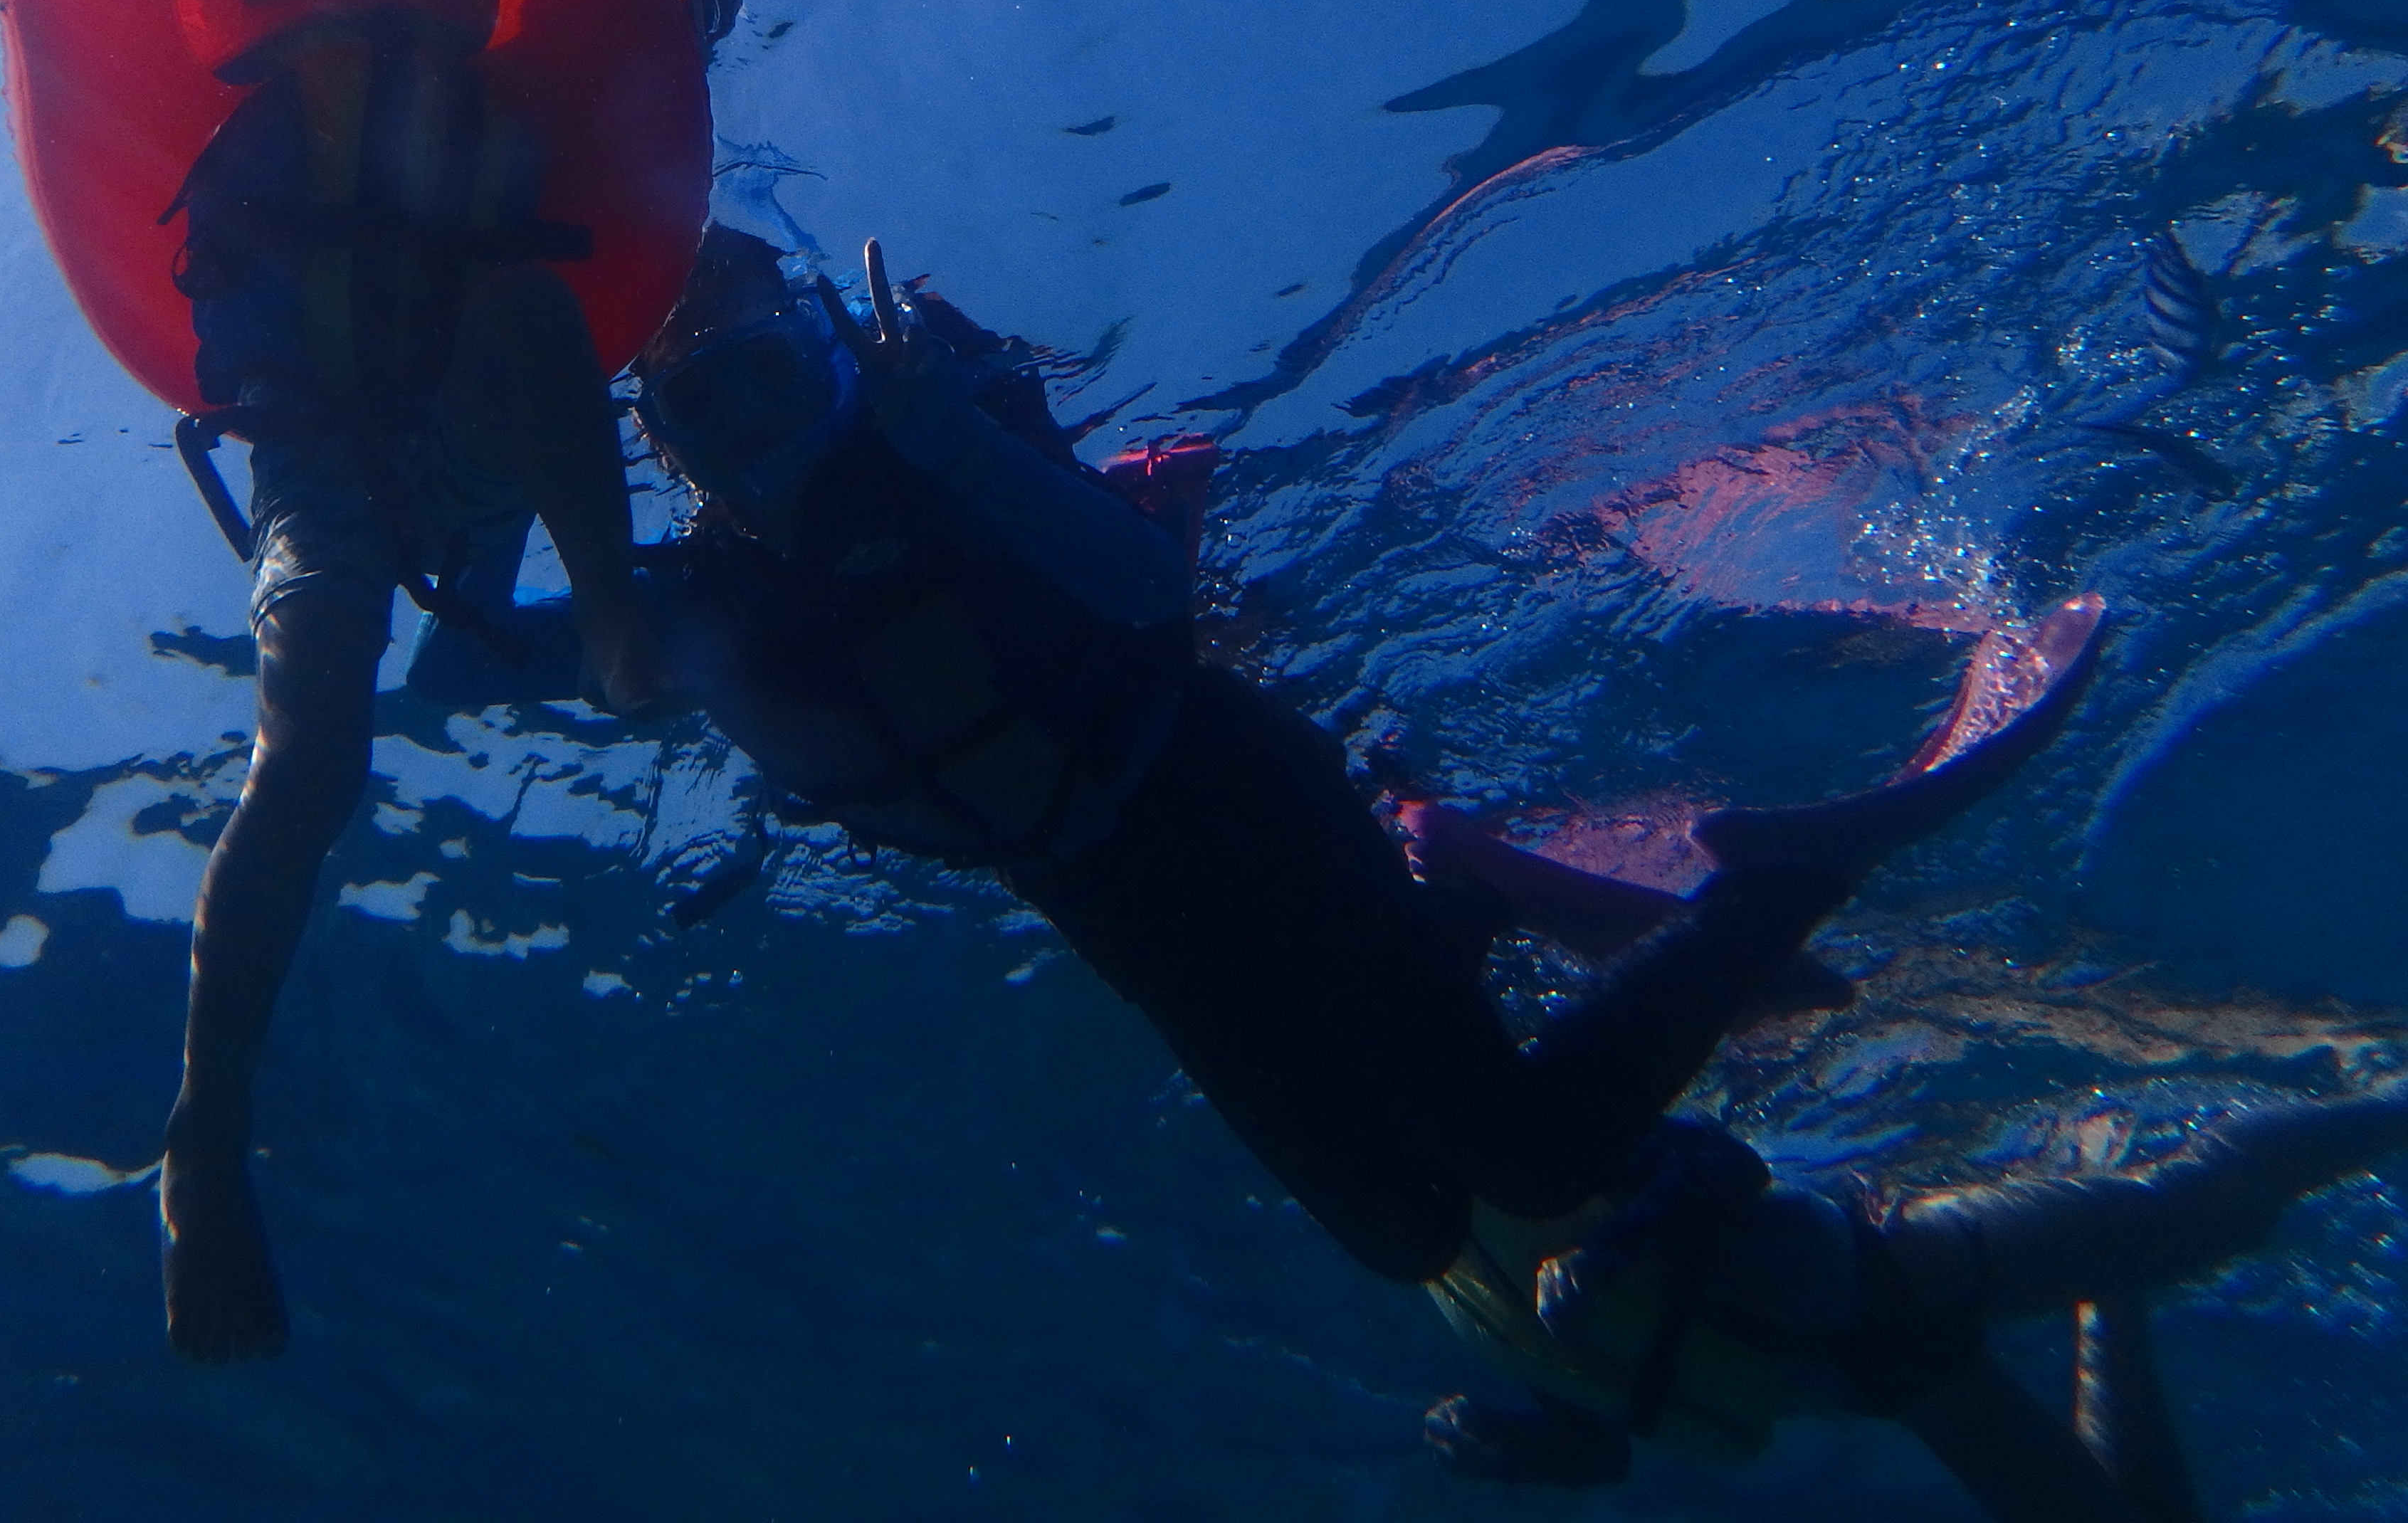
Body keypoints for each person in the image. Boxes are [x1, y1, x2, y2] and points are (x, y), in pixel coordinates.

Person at [610, 225, 2108, 1291]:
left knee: (1522, 1155)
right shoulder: (694, 601)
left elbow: (1143, 589)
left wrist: (953, 449)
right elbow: (514, 646)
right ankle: (1460, 898)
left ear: (828, 355)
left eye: (767, 372)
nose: (750, 428)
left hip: (1220, 783)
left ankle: (1779, 875)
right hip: (1105, 896)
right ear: (662, 448)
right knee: (1406, 1238)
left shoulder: (941, 452)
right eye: (700, 406)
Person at [120, 0, 749, 1363]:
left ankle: (594, 621)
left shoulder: (500, 82)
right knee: (315, 742)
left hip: (474, 430)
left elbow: (639, 102)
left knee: (529, 309)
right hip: (313, 441)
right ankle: (203, 1140)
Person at [1418, 1070, 2408, 1519]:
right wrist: (1528, 1448)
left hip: (1900, 1265)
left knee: (2203, 1214)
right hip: (1895, 1380)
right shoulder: (1461, 1270)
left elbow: (1722, 1166)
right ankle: (2104, 1277)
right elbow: (1599, 1438)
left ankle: (2389, 1092)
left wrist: (1611, 1252)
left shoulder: (1516, 1133)